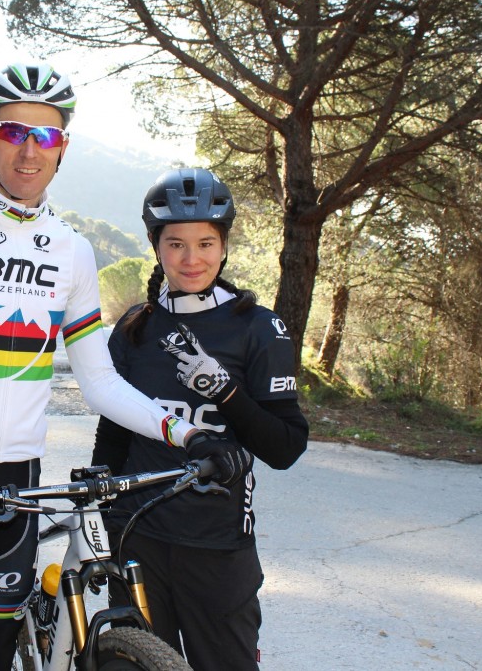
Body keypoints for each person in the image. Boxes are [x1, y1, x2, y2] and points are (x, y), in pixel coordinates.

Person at [0, 63, 238, 670]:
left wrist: (188, 434)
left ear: (62, 147)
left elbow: (98, 381)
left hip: (16, 480)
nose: (29, 151)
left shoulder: (73, 251)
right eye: (13, 132)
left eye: (45, 136)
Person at [91, 168, 309, 670]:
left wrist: (226, 392)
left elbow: (285, 448)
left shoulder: (258, 328)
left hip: (217, 545)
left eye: (206, 243)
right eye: (176, 244)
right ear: (156, 247)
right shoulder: (134, 326)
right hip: (137, 538)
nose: (191, 259)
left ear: (224, 245)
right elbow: (114, 433)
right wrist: (104, 523)